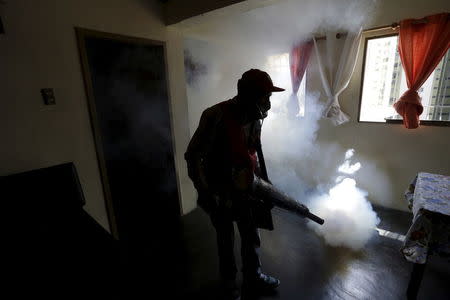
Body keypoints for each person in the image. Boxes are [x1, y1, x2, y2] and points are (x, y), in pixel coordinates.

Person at [185, 69, 285, 299]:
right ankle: (229, 284)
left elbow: (253, 152)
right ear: (250, 95)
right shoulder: (215, 115)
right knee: (225, 239)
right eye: (265, 96)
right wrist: (206, 192)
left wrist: (263, 184)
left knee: (251, 234)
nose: (269, 102)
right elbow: (193, 156)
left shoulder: (255, 116)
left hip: (246, 189)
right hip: (219, 191)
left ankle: (254, 276)